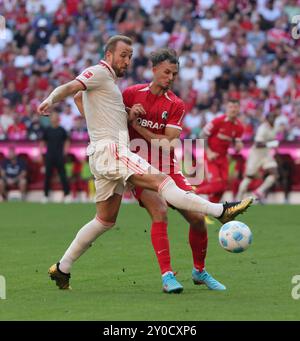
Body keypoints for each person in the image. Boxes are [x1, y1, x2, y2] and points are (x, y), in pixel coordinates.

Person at [37, 35, 252, 292]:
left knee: (104, 220)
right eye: (123, 55)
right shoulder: (101, 73)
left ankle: (62, 268)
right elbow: (72, 89)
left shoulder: (117, 88)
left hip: (107, 154)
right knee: (163, 186)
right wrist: (51, 99)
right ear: (108, 55)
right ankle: (221, 211)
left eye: (130, 56)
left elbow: (82, 100)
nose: (127, 60)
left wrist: (126, 117)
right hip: (114, 151)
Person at [75, 48, 226, 292]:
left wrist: (139, 127)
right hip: (138, 167)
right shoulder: (131, 94)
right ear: (154, 70)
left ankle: (199, 271)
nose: (170, 78)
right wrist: (127, 117)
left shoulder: (176, 104)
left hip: (168, 167)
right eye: (167, 72)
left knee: (197, 219)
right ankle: (167, 277)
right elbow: (109, 118)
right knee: (160, 210)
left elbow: (168, 144)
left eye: (174, 74)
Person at [195, 99, 244, 203]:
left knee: (224, 186)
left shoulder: (239, 127)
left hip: (223, 158)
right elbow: (202, 135)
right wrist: (208, 152)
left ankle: (209, 211)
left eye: (235, 107)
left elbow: (237, 143)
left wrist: (238, 146)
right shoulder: (218, 121)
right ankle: (193, 192)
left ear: (239, 109)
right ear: (227, 108)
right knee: (216, 184)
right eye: (231, 107)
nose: (233, 110)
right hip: (210, 157)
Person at [236, 112, 279, 202]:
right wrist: (271, 144)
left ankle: (259, 191)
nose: (272, 119)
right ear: (267, 119)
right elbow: (258, 144)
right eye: (270, 117)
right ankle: (238, 199)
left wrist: (274, 148)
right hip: (256, 155)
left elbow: (271, 140)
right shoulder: (262, 128)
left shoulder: (275, 127)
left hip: (266, 154)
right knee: (249, 177)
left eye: (273, 117)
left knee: (275, 174)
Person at [41, 111, 71, 203]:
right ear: (50, 119)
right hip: (49, 156)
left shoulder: (62, 130)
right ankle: (46, 195)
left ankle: (67, 195)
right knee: (47, 176)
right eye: (52, 117)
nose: (54, 118)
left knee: (63, 175)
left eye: (55, 116)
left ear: (58, 119)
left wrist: (65, 151)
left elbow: (67, 141)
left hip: (59, 156)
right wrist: (41, 152)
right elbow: (43, 141)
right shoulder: (47, 130)